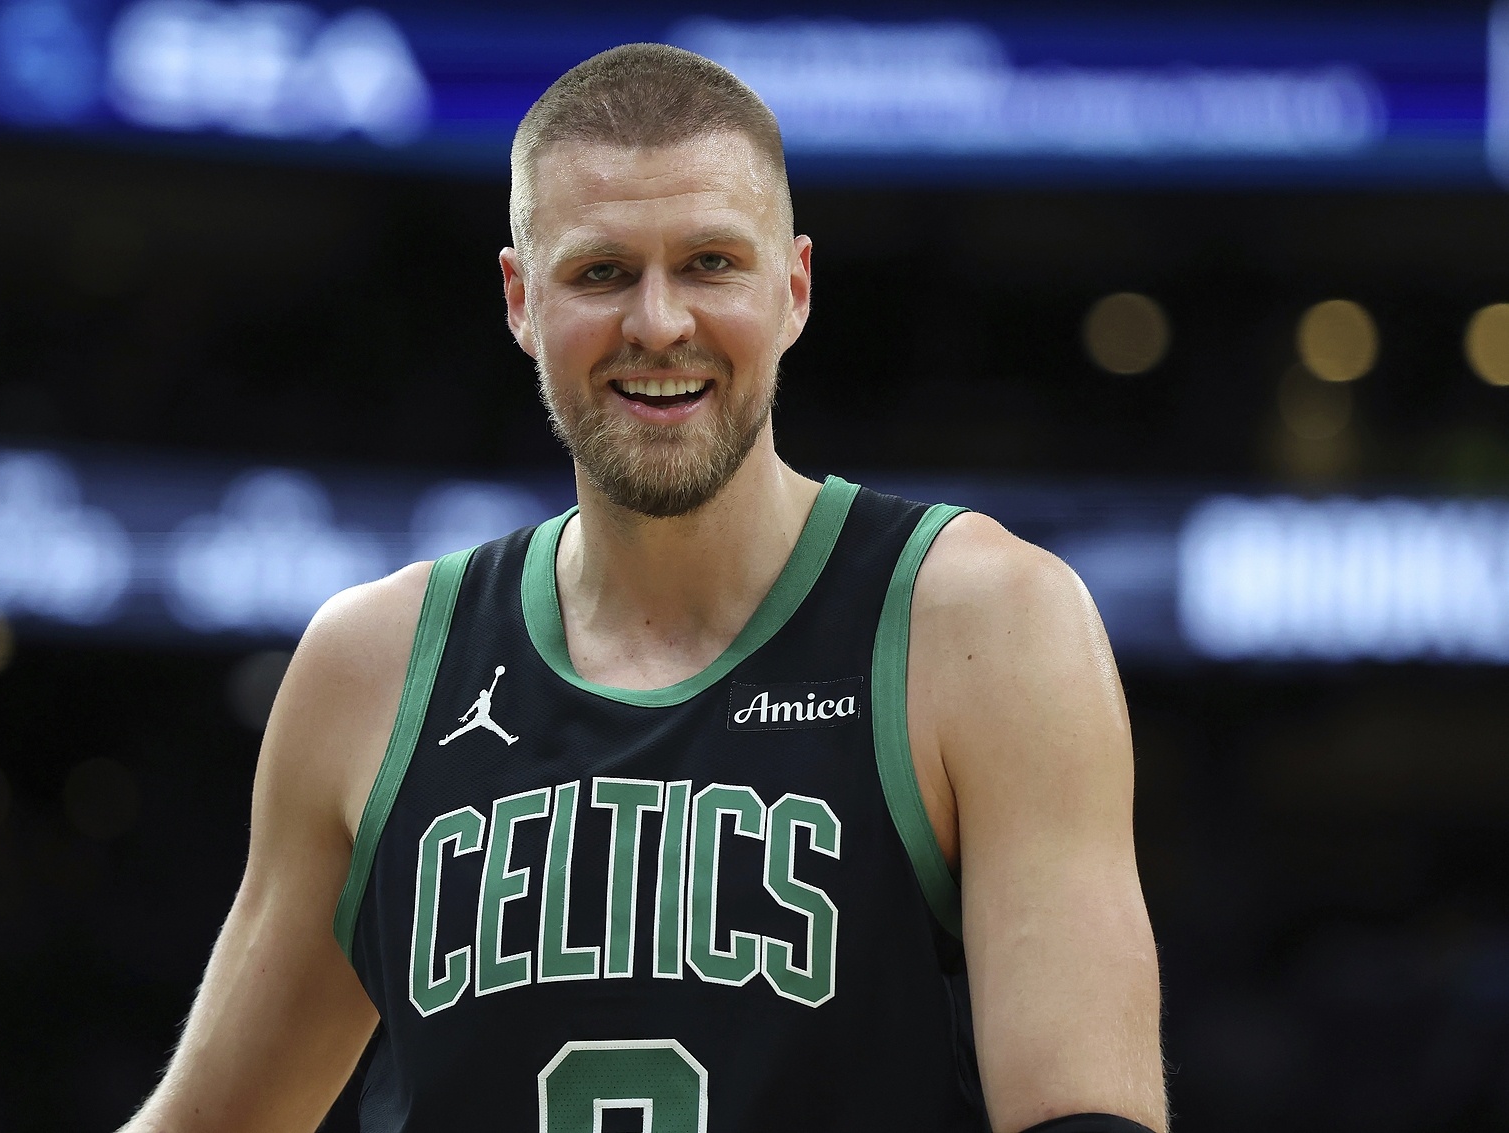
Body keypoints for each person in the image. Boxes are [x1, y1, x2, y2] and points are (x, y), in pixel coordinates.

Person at [121, 43, 1166, 1133]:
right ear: (521, 300)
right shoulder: (371, 667)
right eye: (601, 273)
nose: (659, 323)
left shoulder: (985, 624)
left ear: (794, 287)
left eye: (710, 263)